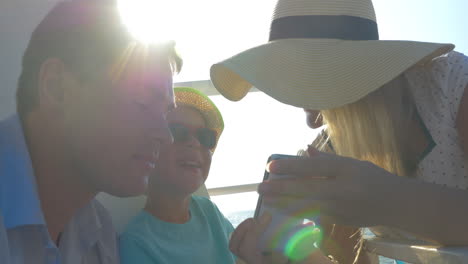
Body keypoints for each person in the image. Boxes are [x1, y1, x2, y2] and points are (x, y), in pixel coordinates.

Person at [209, 0, 468, 263]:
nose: (313, 124)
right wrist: (296, 258)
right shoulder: (334, 148)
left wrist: (389, 201)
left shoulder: (451, 86)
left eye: (305, 89)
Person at [0, 1, 182, 263]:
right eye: (142, 103)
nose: (166, 136)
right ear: (56, 87)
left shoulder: (96, 232)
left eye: (166, 115)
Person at [119, 87, 237, 264]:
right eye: (177, 133)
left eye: (205, 137)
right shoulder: (137, 243)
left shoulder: (210, 212)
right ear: (150, 150)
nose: (195, 143)